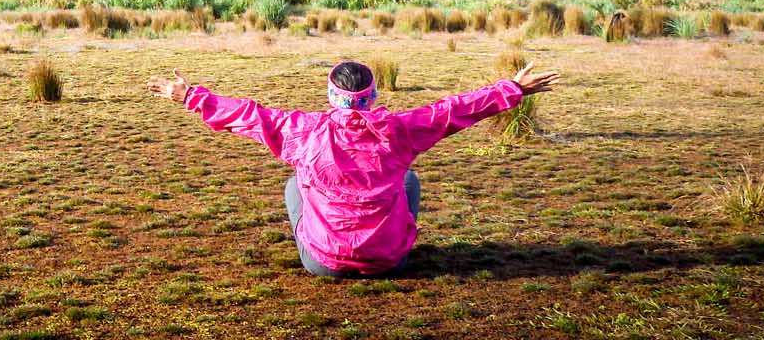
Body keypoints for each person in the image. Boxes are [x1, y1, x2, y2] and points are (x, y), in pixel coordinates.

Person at [146, 60, 560, 277]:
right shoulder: (401, 130)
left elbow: (249, 115)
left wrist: (190, 95)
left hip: (322, 263)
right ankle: (384, 242)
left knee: (295, 185)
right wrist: (512, 89)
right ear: (372, 94)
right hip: (389, 262)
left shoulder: (302, 131)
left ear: (332, 95)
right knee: (408, 179)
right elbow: (452, 111)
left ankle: (328, 243)